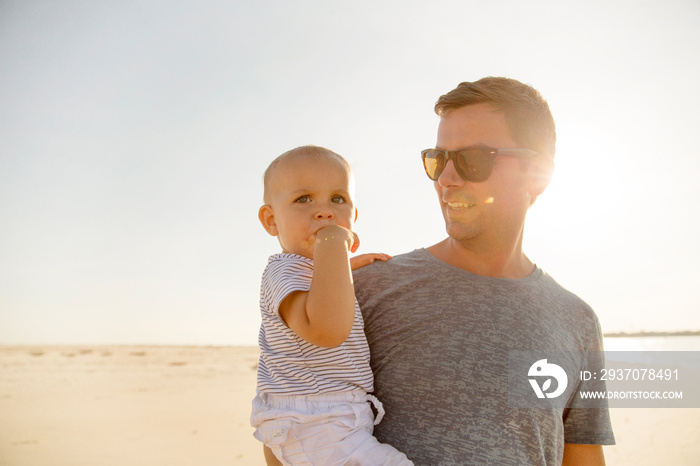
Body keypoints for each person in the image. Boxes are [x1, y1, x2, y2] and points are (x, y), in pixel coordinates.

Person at [353, 77, 616, 465]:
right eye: (437, 159)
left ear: (537, 173)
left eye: (472, 160)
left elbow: (581, 457)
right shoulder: (365, 289)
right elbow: (290, 435)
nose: (446, 179)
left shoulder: (578, 320)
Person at [251, 145, 413, 465]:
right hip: (314, 420)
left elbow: (317, 289)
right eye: (303, 199)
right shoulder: (283, 270)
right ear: (271, 220)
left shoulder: (305, 272)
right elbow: (326, 329)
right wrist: (333, 244)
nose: (324, 211)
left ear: (352, 217)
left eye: (337, 199)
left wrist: (343, 267)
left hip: (322, 418)